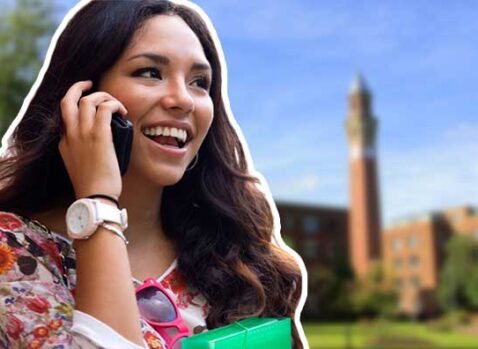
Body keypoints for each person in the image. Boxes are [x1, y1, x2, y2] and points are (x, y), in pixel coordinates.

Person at [0, 0, 306, 348]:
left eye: (199, 82)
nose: (184, 100)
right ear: (81, 96)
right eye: (150, 73)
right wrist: (98, 202)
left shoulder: (235, 253)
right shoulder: (15, 251)